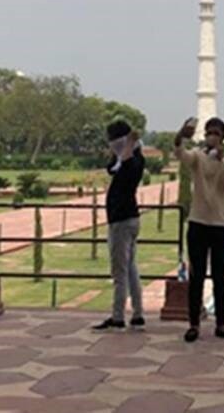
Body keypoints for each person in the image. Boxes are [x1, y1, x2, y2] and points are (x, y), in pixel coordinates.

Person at [174, 116, 224, 343]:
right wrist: (180, 136)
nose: (212, 137)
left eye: (216, 133)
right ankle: (193, 325)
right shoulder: (198, 157)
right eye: (209, 133)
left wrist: (220, 159)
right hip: (198, 224)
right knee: (197, 277)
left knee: (219, 278)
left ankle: (221, 324)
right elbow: (180, 154)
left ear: (223, 137)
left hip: (220, 226)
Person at [92, 120, 146, 332]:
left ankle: (118, 317)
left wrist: (128, 145)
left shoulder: (132, 161)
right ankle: (138, 314)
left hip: (121, 221)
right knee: (130, 268)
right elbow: (111, 168)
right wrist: (124, 149)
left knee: (119, 271)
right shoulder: (128, 159)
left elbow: (124, 165)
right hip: (129, 218)